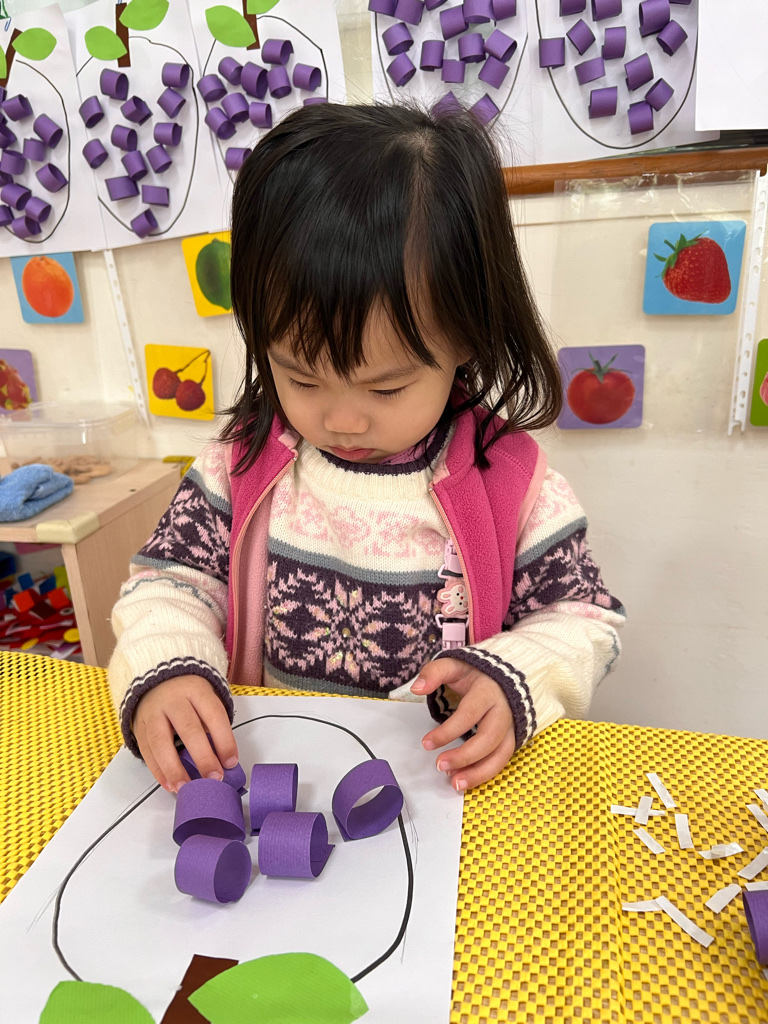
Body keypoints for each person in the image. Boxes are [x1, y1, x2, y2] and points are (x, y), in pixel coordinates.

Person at [109, 103, 625, 796]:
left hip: (439, 791)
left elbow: (583, 618)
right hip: (276, 780)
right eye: (300, 378)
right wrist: (165, 665)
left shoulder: (509, 481)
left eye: (386, 388)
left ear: (467, 335)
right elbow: (170, 582)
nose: (342, 419)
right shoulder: (241, 461)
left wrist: (516, 676)